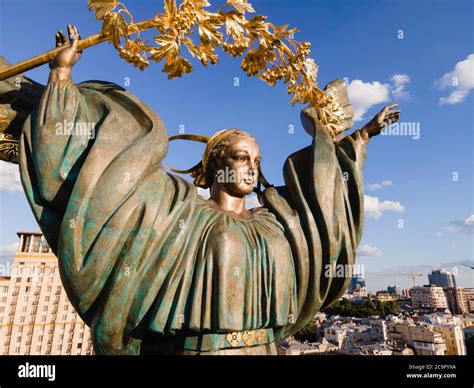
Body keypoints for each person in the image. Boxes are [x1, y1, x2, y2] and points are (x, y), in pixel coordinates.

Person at [19, 25, 400, 355]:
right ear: (216, 166)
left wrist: (360, 139)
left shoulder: (276, 221)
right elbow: (104, 174)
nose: (252, 168)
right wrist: (62, 74)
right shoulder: (180, 213)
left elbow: (325, 206)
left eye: (257, 159)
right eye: (240, 157)